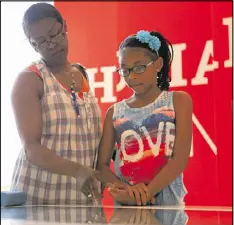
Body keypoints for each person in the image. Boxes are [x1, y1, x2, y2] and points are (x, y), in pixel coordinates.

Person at [10, 3, 103, 205]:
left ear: (65, 26)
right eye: (41, 42)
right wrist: (77, 170)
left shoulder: (82, 74)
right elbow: (31, 148)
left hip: (80, 199)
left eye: (54, 35)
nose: (51, 45)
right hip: (38, 198)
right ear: (33, 45)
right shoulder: (30, 79)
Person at [97, 30, 192, 206]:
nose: (131, 76)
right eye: (125, 70)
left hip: (168, 206)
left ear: (158, 64)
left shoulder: (178, 101)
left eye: (139, 68)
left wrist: (147, 193)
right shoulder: (114, 112)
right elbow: (101, 166)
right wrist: (126, 190)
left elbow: (179, 160)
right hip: (127, 206)